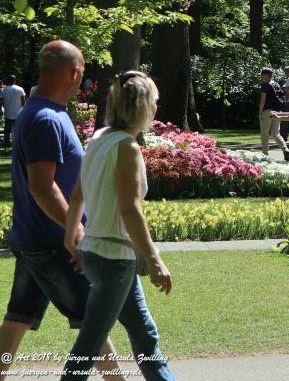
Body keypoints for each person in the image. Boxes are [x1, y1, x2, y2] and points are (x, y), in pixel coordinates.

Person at [0, 41, 125, 379]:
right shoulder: (44, 119)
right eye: (82, 73)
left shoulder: (44, 113)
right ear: (73, 73)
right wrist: (77, 233)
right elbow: (43, 187)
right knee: (93, 325)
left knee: (18, 319)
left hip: (35, 240)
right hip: (54, 243)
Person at [62, 71, 175, 380]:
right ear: (142, 106)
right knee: (89, 345)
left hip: (101, 254)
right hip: (113, 259)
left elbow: (76, 196)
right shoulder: (127, 147)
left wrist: (72, 241)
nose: (155, 108)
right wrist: (155, 260)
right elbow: (130, 209)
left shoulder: (98, 139)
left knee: (145, 336)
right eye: (153, 102)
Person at [257, 69, 289, 161]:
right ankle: (285, 149)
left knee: (264, 134)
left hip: (267, 111)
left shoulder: (265, 86)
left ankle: (265, 155)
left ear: (266, 76)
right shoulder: (276, 85)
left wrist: (260, 113)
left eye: (262, 75)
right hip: (277, 112)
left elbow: (262, 101)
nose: (261, 77)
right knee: (275, 133)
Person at [3, 75, 26, 151]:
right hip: (18, 113)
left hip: (8, 113)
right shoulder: (20, 89)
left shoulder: (4, 89)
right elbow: (23, 101)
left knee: (7, 131)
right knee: (18, 130)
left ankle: (6, 147)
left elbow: (1, 100)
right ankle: (17, 146)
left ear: (8, 80)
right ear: (15, 80)